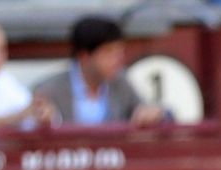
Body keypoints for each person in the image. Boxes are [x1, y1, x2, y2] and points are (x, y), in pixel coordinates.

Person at [31, 17, 165, 127]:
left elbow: (152, 111)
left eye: (119, 52)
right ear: (83, 56)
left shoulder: (121, 83)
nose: (117, 60)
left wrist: (152, 113)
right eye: (109, 52)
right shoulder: (49, 90)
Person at [0, 22, 58, 129]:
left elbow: (29, 113)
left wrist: (43, 114)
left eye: (1, 50)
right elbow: (20, 115)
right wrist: (17, 117)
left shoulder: (5, 82)